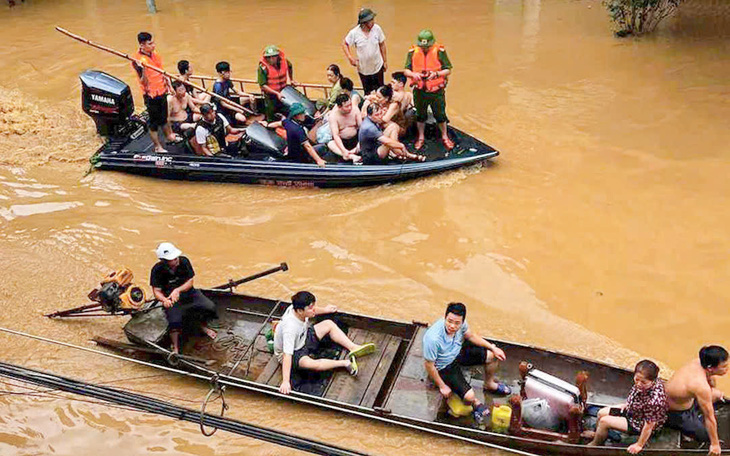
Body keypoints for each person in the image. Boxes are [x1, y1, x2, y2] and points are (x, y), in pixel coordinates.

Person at [422, 302, 510, 426]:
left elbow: (471, 336)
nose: (452, 326)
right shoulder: (433, 338)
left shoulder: (461, 326)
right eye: (449, 321)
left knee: (492, 356)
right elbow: (429, 365)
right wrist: (442, 386)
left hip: (457, 352)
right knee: (469, 397)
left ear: (462, 321)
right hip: (444, 365)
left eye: (457, 323)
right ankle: (476, 403)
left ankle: (489, 384)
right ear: (445, 317)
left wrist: (492, 347)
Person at [274, 291, 376, 395]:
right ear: (300, 311)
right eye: (310, 308)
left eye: (313, 306)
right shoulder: (290, 329)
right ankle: (344, 363)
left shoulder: (297, 308)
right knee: (312, 364)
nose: (313, 309)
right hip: (292, 352)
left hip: (303, 337)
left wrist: (325, 310)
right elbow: (287, 355)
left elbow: (313, 310)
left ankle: (353, 347)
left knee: (328, 324)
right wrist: (286, 382)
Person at [150, 242, 218, 355]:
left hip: (189, 293)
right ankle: (175, 347)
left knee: (210, 307)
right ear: (164, 261)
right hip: (171, 300)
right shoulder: (157, 270)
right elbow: (156, 291)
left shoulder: (184, 261)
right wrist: (164, 300)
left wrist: (178, 290)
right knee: (174, 321)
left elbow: (190, 282)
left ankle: (201, 326)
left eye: (176, 258)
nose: (176, 260)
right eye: (172, 259)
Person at [587, 360, 668, 454]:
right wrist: (627, 404)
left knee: (604, 421)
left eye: (643, 382)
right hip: (633, 410)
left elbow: (648, 426)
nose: (638, 384)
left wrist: (639, 445)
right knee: (601, 413)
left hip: (639, 423)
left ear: (653, 381)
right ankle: (597, 434)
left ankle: (596, 444)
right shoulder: (645, 384)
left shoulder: (655, 401)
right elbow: (636, 395)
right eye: (637, 379)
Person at [665, 345, 729, 455]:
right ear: (710, 367)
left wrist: (712, 389)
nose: (727, 369)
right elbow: (709, 417)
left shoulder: (699, 362)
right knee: (705, 436)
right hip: (675, 412)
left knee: (715, 394)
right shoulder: (700, 385)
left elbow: (710, 378)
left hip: (687, 400)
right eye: (724, 367)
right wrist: (714, 444)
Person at [403, 29, 454, 151]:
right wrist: (413, 75)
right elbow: (406, 70)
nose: (425, 49)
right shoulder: (412, 52)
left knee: (440, 115)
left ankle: (444, 136)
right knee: (420, 115)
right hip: (420, 90)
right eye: (422, 46)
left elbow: (448, 69)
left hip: (436, 91)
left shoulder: (440, 51)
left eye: (427, 47)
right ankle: (421, 137)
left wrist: (436, 74)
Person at [132, 32, 177, 153]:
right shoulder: (138, 61)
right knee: (154, 122)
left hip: (162, 90)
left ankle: (170, 136)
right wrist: (144, 69)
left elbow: (162, 72)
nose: (153, 45)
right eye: (150, 43)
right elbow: (144, 82)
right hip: (151, 95)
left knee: (164, 116)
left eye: (153, 42)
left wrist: (170, 86)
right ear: (142, 45)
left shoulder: (155, 54)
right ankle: (157, 146)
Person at [359, 103, 424, 165]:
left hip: (376, 146)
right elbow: (388, 142)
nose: (380, 116)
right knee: (390, 143)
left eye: (380, 113)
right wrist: (401, 145)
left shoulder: (372, 120)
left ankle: (400, 153)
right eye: (377, 115)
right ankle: (406, 155)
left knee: (393, 126)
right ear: (369, 115)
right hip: (372, 156)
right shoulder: (369, 127)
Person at [342, 8, 387, 95]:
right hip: (364, 69)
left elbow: (382, 44)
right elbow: (345, 44)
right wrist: (350, 58)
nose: (373, 22)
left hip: (377, 66)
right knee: (368, 93)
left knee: (381, 92)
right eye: (371, 20)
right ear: (364, 23)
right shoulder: (354, 33)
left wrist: (385, 61)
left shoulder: (377, 29)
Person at [258, 45, 295, 121]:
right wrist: (276, 93)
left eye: (273, 57)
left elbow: (290, 67)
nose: (271, 59)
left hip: (284, 92)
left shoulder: (284, 61)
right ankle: (270, 124)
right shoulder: (263, 67)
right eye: (269, 57)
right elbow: (263, 85)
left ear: (277, 56)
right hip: (270, 95)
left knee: (287, 110)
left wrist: (291, 80)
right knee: (271, 112)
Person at [212, 61, 254, 125]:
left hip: (230, 101)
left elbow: (237, 92)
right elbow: (223, 104)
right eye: (226, 72)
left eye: (229, 72)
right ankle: (240, 120)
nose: (228, 74)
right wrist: (237, 109)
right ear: (220, 73)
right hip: (224, 109)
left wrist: (249, 95)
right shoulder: (218, 87)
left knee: (248, 98)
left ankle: (254, 113)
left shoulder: (227, 80)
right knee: (242, 119)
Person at [328, 93, 361, 162]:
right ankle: (350, 156)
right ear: (339, 107)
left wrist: (358, 145)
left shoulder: (355, 110)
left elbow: (362, 128)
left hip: (356, 139)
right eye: (346, 106)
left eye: (350, 105)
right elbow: (335, 135)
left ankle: (351, 154)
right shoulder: (333, 116)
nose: (350, 108)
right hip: (342, 142)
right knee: (331, 144)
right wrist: (344, 150)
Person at [385, 71, 414, 136]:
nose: (391, 84)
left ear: (401, 84)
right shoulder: (409, 95)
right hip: (394, 122)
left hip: (394, 125)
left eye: (393, 82)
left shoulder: (394, 95)